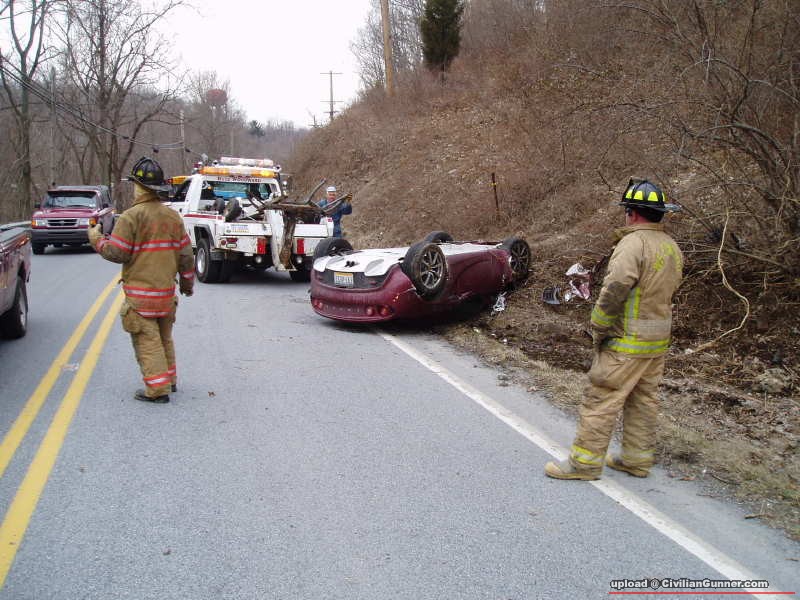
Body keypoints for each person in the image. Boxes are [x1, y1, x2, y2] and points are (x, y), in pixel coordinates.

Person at [545, 179, 684, 480]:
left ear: (632, 213)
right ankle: (636, 460)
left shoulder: (632, 244)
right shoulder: (671, 247)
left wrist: (599, 325)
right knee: (643, 401)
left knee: (601, 398)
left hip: (625, 341)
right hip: (656, 341)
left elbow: (616, 289)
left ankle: (583, 464)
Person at [88, 157, 195, 404]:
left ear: (139, 187)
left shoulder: (131, 217)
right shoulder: (173, 217)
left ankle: (157, 390)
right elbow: (186, 257)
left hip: (141, 298)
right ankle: (170, 380)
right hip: (166, 296)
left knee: (148, 342)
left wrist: (96, 240)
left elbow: (117, 253)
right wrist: (187, 285)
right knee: (164, 338)